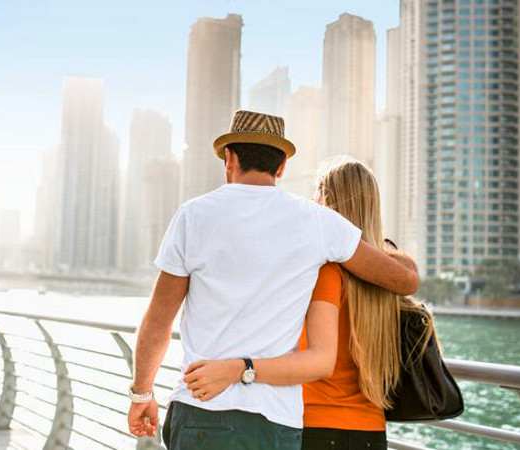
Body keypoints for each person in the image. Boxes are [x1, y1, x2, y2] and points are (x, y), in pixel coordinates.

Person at [126, 110, 419, 450]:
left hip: (201, 410)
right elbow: (405, 281)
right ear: (281, 167)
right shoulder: (320, 223)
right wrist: (366, 242)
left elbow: (158, 321)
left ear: (229, 158)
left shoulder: (193, 215)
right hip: (276, 423)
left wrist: (142, 392)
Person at [184, 158, 425, 449]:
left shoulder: (326, 271)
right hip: (371, 433)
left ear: (327, 201)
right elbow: (410, 274)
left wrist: (239, 368)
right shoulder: (387, 275)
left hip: (316, 427)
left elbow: (320, 359)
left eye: (317, 194)